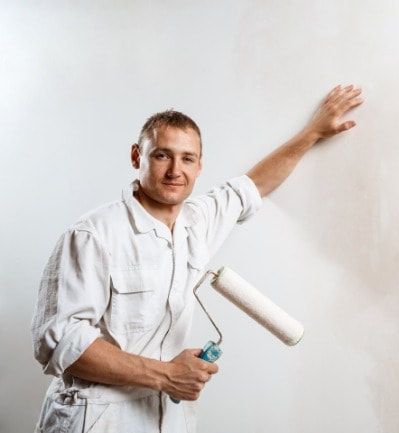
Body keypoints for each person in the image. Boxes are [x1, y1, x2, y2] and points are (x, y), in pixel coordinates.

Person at [31, 84, 363, 433]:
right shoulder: (93, 235)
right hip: (97, 418)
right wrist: (167, 375)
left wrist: (312, 132)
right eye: (162, 155)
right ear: (136, 157)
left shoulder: (197, 221)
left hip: (168, 419)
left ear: (200, 166)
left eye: (187, 158)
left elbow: (253, 186)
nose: (176, 170)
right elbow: (60, 343)